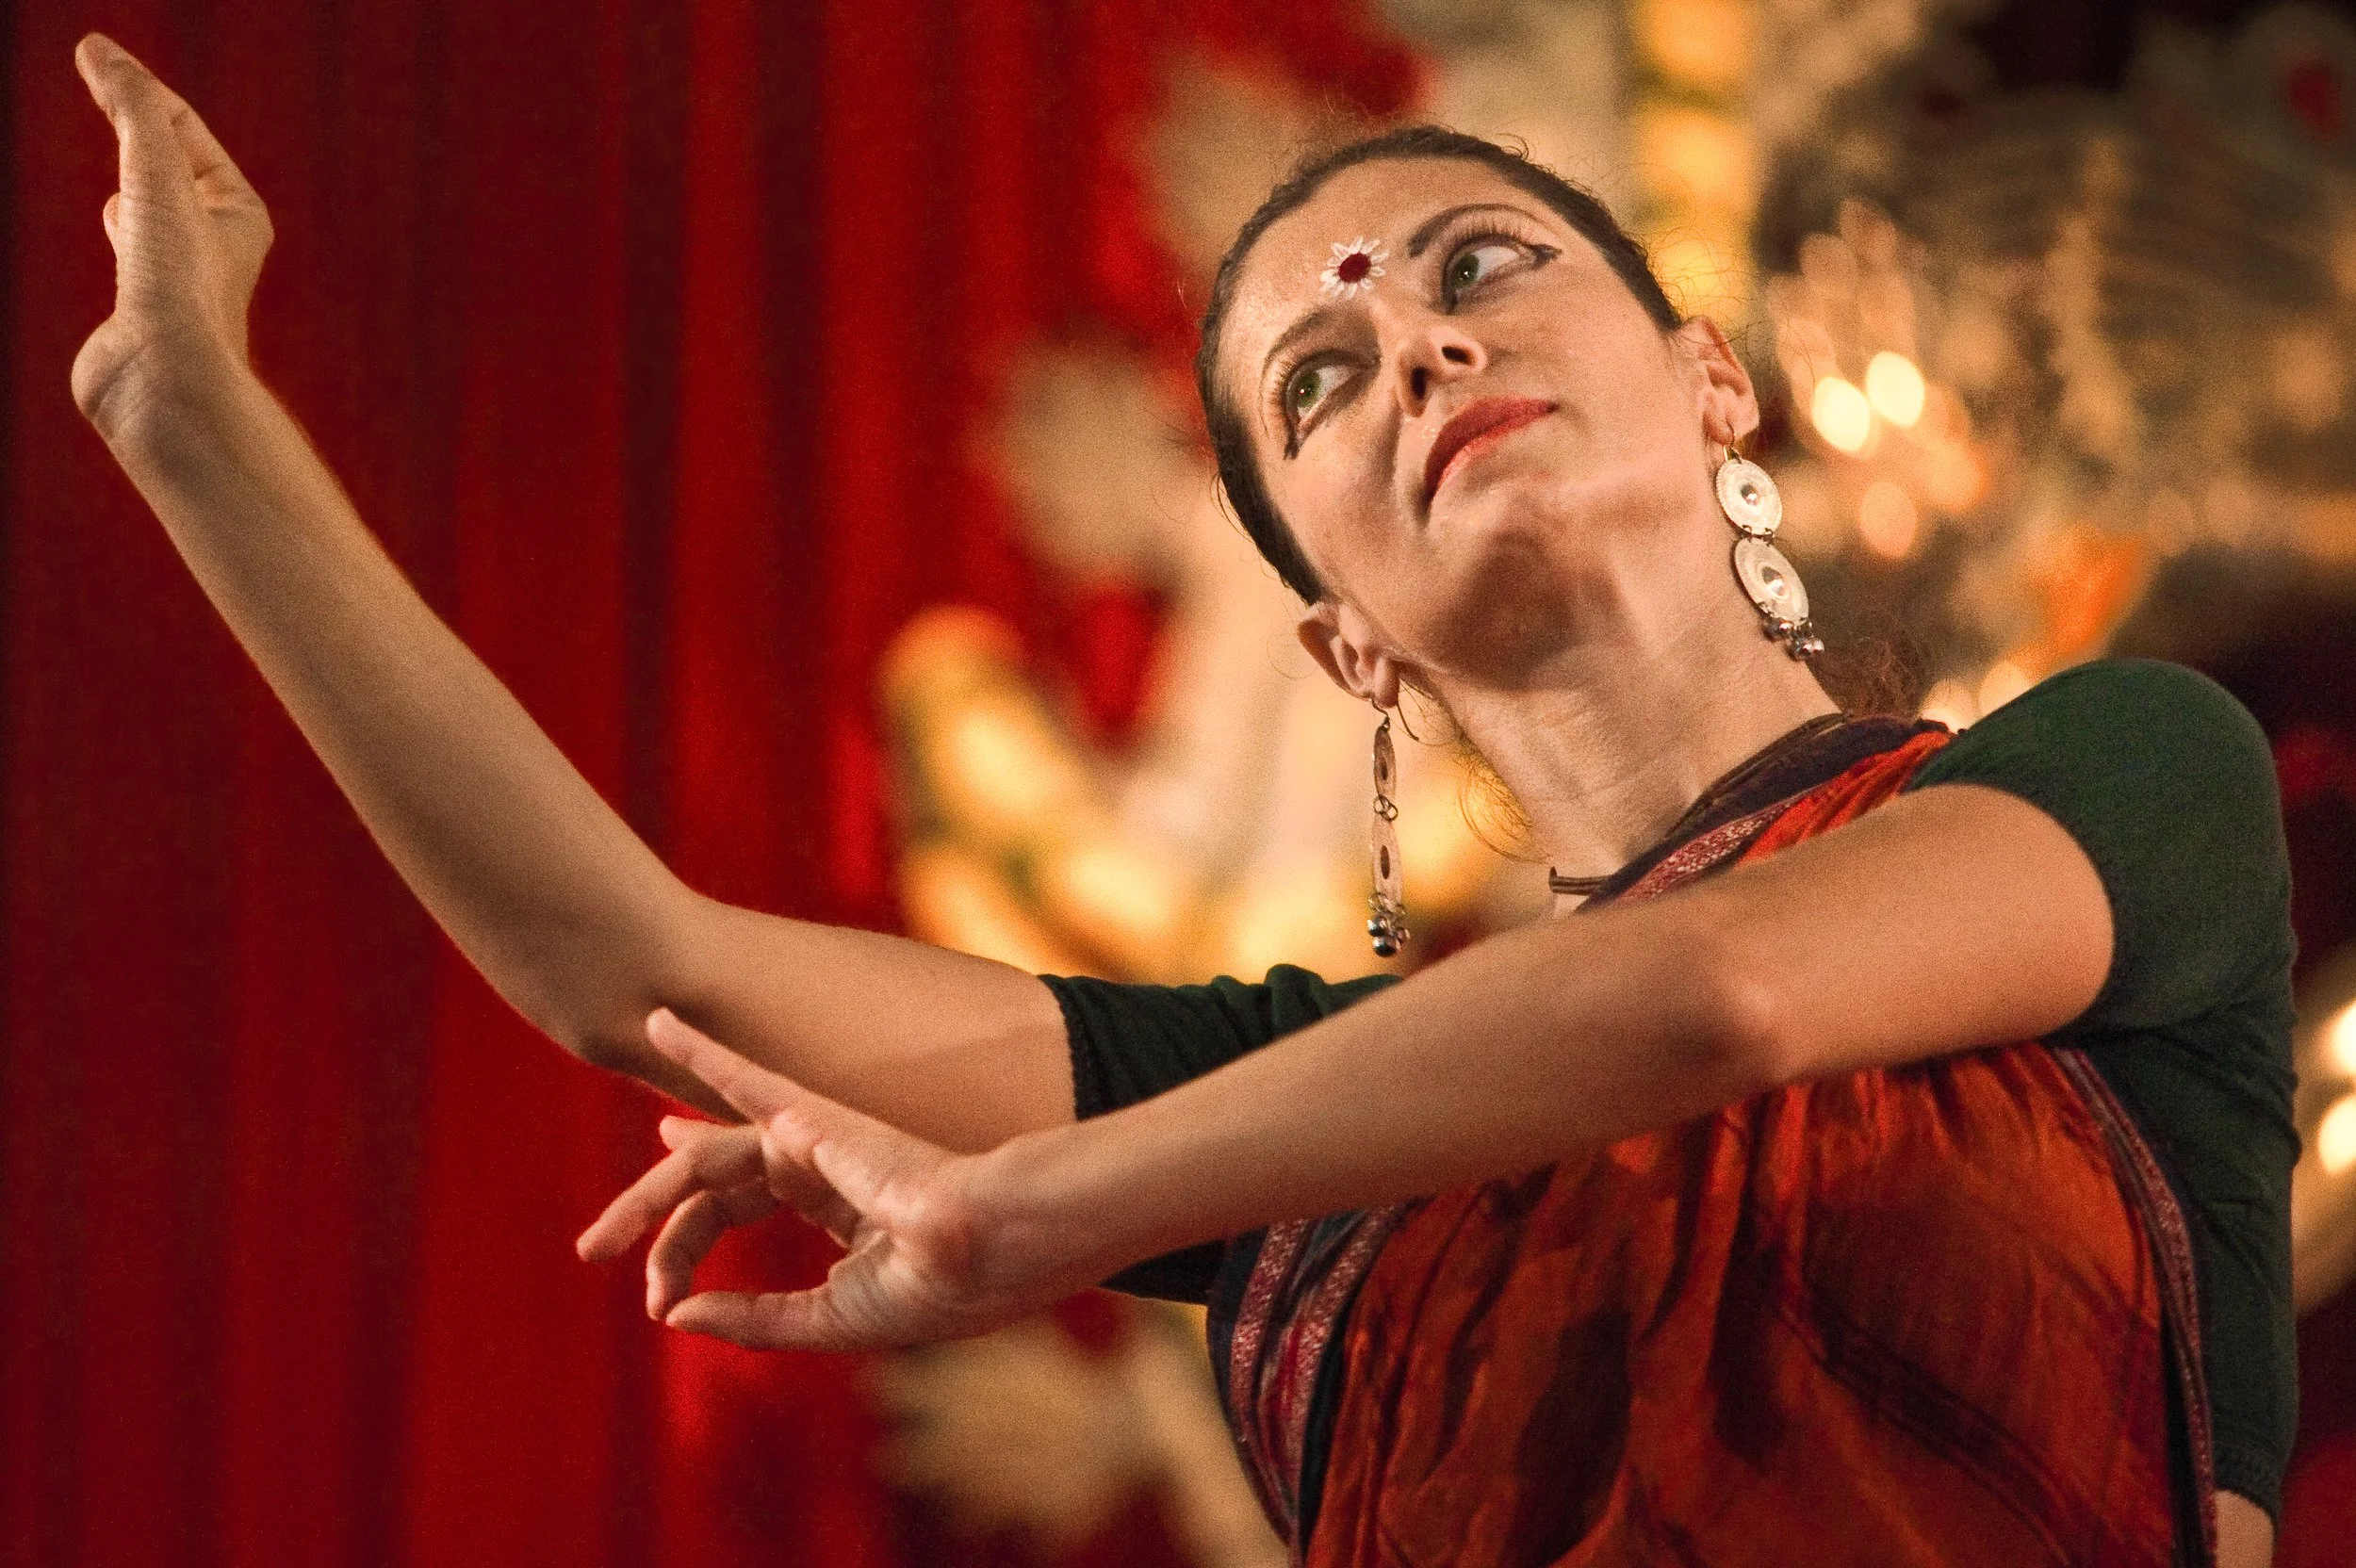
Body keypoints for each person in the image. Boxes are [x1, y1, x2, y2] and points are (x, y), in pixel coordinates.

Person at [71, 31, 2292, 1567]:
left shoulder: (2122, 778)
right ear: (1338, 630)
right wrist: (195, 429)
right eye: (1315, 381)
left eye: (1484, 271)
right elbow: (625, 966)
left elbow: (1714, 994)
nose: (1415, 349)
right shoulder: (1307, 1121)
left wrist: (1033, 1205)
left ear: (1706, 368)